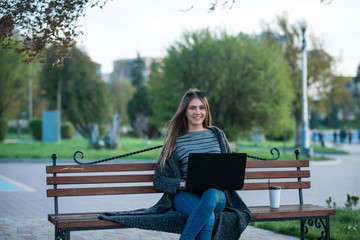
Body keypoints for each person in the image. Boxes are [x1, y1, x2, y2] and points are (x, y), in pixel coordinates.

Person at [99, 88, 251, 240]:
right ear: (184, 111)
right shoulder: (175, 141)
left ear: (206, 111)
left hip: (217, 196)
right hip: (185, 195)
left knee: (210, 195)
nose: (197, 112)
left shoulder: (217, 134)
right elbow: (159, 179)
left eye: (201, 107)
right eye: (192, 108)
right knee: (208, 217)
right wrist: (182, 184)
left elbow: (229, 169)